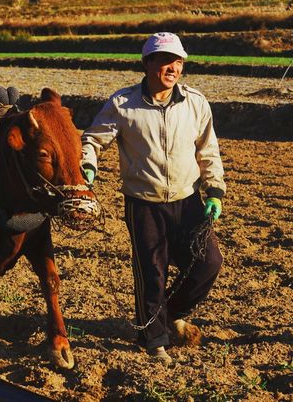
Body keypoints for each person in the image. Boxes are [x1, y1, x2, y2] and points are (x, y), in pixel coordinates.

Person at [81, 32, 226, 365]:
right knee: (152, 271)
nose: (172, 67)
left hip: (187, 200)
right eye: (164, 60)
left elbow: (208, 150)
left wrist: (215, 190)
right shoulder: (122, 104)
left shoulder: (195, 102)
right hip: (143, 203)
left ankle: (170, 312)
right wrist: (87, 166)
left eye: (177, 61)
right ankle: (155, 339)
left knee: (208, 263)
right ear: (147, 64)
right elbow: (91, 140)